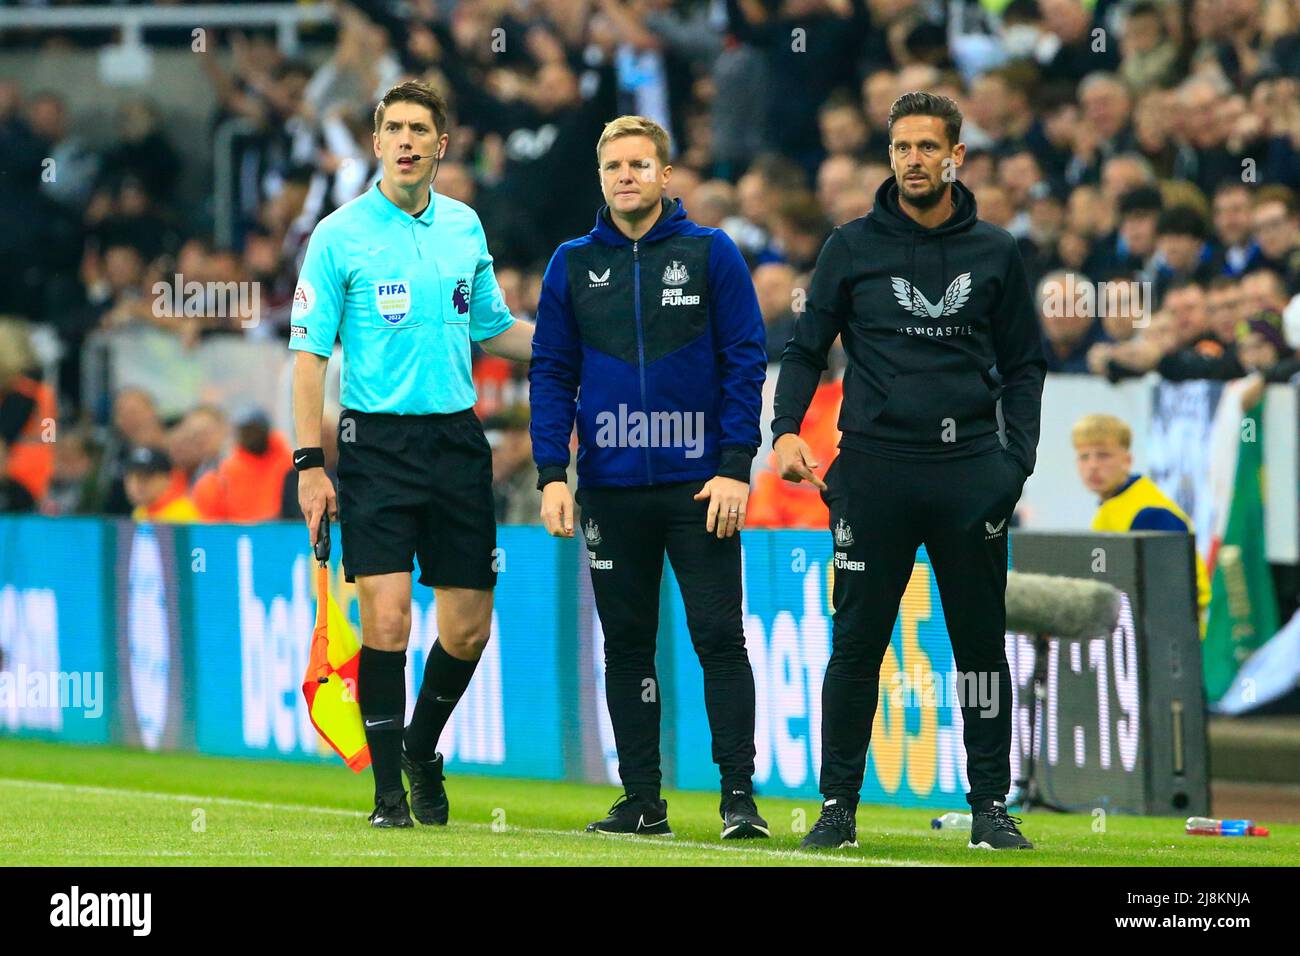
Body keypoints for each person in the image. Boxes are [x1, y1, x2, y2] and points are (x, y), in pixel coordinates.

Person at [772, 92, 1046, 851]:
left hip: (969, 474)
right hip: (873, 471)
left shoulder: (996, 250)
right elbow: (804, 349)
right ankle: (837, 807)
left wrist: (1013, 463)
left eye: (929, 147)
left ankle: (991, 807)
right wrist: (786, 430)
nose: (914, 160)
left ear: (957, 156)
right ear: (888, 156)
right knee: (857, 644)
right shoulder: (851, 246)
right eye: (902, 148)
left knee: (981, 648)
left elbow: (1026, 365)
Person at [290, 81, 534, 829]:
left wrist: (577, 340)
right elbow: (307, 357)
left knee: (467, 629)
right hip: (378, 445)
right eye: (391, 127)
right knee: (388, 620)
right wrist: (309, 465)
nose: (404, 139)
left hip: (458, 441)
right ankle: (388, 798)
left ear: (440, 144)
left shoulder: (464, 227)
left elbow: (493, 327)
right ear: (375, 143)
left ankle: (420, 749)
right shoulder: (338, 234)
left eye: (417, 128)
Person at [530, 115, 769, 839]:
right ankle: (642, 801)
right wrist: (552, 473)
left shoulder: (711, 252)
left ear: (667, 176)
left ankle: (737, 798)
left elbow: (746, 360)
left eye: (639, 165)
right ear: (600, 178)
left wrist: (734, 466)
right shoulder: (570, 263)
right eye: (613, 168)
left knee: (717, 638)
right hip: (608, 489)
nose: (626, 177)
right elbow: (550, 371)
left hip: (699, 486)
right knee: (627, 646)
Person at [1074, 413, 1210, 627]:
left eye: (1103, 455)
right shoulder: (1111, 506)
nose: (1092, 466)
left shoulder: (1151, 514)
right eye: (1084, 457)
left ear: (1127, 461)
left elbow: (1170, 595)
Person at [124, 446, 201, 523]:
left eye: (145, 477)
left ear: (167, 479)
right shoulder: (140, 512)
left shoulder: (183, 513)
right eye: (131, 478)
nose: (137, 485)